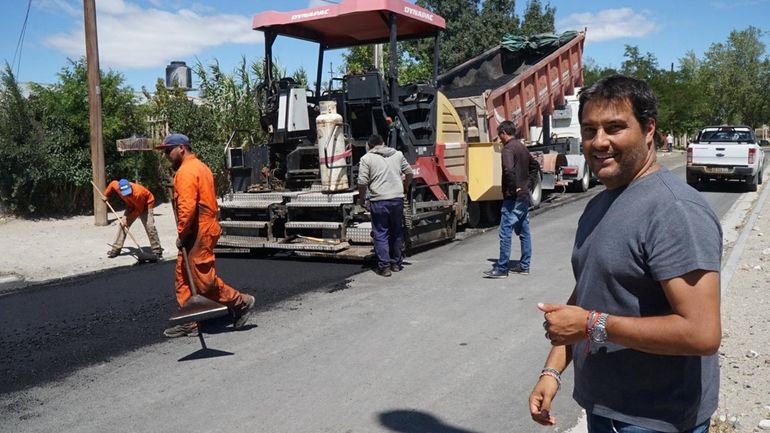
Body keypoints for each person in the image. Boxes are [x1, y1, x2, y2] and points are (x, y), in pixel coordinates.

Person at [528, 75, 722, 433]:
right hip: (606, 409)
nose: (599, 142)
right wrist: (552, 369)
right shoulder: (600, 202)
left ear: (649, 129)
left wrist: (590, 325)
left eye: (615, 128)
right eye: (589, 130)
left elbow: (702, 333)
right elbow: (590, 291)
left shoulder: (674, 210)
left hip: (655, 420)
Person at [156, 133, 256, 337]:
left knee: (204, 280)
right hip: (201, 226)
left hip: (198, 229)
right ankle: (190, 320)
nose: (167, 155)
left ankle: (241, 302)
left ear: (181, 148)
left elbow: (187, 209)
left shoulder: (187, 172)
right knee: (183, 276)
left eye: (168, 151)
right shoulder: (199, 166)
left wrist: (183, 234)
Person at [357, 134, 413, 277]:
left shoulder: (366, 159)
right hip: (397, 200)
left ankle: (385, 267)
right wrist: (405, 186)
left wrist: (361, 199)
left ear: (369, 146)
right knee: (396, 232)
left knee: (381, 233)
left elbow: (362, 182)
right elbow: (409, 172)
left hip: (379, 201)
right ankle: (396, 264)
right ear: (383, 143)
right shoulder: (398, 154)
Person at [483, 120, 533, 278]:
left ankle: (502, 268)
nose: (500, 138)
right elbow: (535, 165)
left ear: (504, 133)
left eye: (500, 135)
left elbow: (508, 170)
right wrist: (527, 185)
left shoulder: (508, 149)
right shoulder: (522, 147)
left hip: (513, 198)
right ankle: (524, 266)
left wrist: (513, 188)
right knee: (524, 232)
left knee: (505, 232)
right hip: (524, 196)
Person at [103, 179, 163, 259]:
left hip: (146, 205)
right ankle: (116, 250)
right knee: (122, 225)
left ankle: (157, 250)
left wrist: (127, 220)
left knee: (150, 226)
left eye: (129, 191)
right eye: (125, 192)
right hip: (131, 205)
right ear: (120, 189)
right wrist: (106, 195)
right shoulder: (117, 186)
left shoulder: (138, 193)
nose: (128, 194)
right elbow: (112, 183)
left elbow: (139, 210)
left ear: (130, 186)